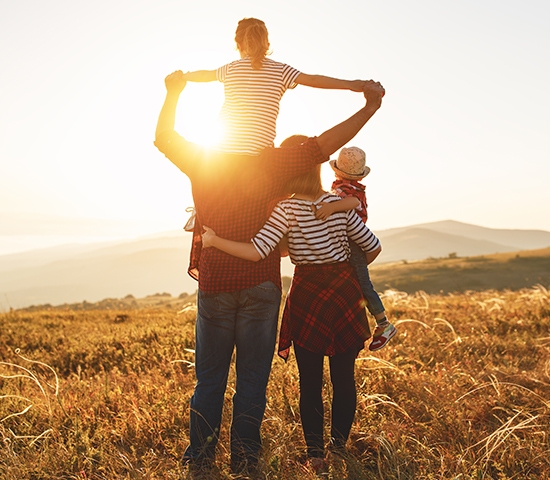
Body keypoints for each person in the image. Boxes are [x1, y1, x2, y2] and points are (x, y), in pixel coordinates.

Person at [154, 70, 384, 475]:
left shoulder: (203, 159)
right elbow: (326, 144)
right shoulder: (276, 162)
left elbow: (164, 137)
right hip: (261, 285)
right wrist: (368, 105)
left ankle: (201, 460)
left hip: (215, 283)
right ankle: (245, 461)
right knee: (252, 381)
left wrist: (173, 93)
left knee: (209, 380)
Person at [201, 159, 382, 473]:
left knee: (310, 383)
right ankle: (338, 449)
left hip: (308, 293)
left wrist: (215, 241)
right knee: (344, 378)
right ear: (316, 171)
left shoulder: (285, 209)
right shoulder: (338, 204)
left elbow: (259, 250)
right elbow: (373, 246)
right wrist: (346, 267)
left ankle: (316, 456)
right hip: (344, 292)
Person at [183, 17, 367, 154]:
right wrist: (351, 84)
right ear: (267, 44)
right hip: (259, 153)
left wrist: (183, 76)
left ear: (238, 44)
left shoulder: (231, 69)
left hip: (222, 151)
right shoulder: (281, 70)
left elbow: (204, 75)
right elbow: (313, 80)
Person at [313, 146, 397, 350]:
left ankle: (383, 323)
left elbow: (352, 203)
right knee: (355, 282)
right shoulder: (347, 186)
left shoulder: (348, 191)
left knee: (362, 283)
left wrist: (331, 207)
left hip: (353, 241)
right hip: (350, 240)